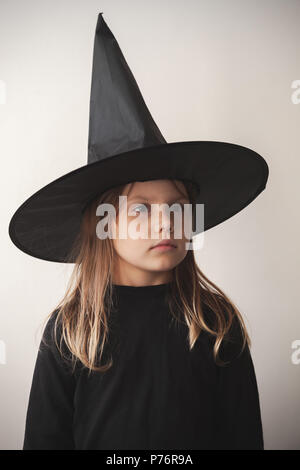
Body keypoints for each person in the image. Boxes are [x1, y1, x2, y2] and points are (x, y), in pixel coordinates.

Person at [22, 177, 264, 450]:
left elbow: (244, 438)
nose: (166, 223)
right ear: (103, 224)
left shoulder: (216, 324)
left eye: (178, 208)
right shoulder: (71, 330)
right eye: (140, 209)